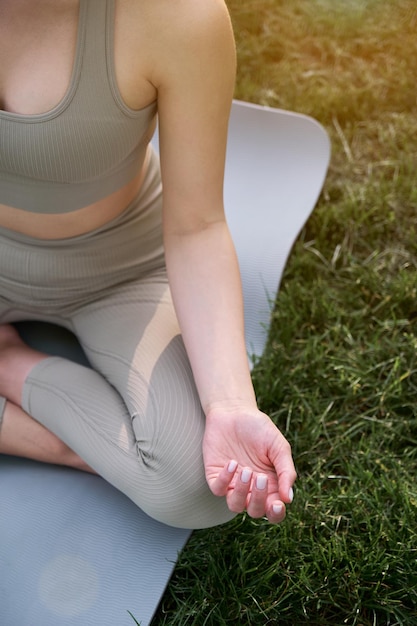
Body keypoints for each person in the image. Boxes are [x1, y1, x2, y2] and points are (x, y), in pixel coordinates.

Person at [0, 0, 296, 529]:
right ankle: (82, 452)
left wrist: (230, 404)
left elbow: (197, 226)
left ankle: (9, 362)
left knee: (200, 482)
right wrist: (86, 450)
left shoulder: (179, 14)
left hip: (119, 269)